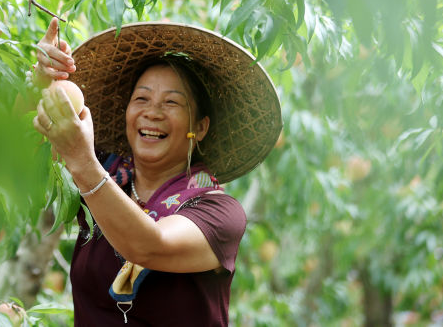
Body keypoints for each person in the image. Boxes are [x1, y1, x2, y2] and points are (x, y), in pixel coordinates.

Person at [31, 18, 282, 326]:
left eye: (172, 103)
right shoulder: (108, 173)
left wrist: (82, 162)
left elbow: (148, 246)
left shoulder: (219, 213)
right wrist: (41, 87)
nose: (152, 112)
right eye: (142, 99)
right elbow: (15, 145)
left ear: (199, 128)